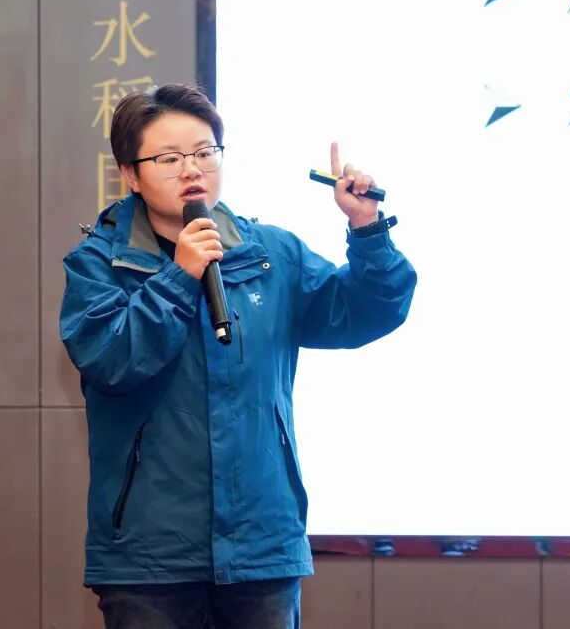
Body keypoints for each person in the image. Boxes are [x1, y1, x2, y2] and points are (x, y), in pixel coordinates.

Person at [59, 83, 417, 629]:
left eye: (205, 152)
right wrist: (180, 276)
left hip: (261, 547)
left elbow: (368, 311)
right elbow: (112, 360)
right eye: (169, 158)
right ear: (130, 174)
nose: (192, 170)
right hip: (149, 559)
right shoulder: (98, 265)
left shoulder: (270, 255)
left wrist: (366, 229)